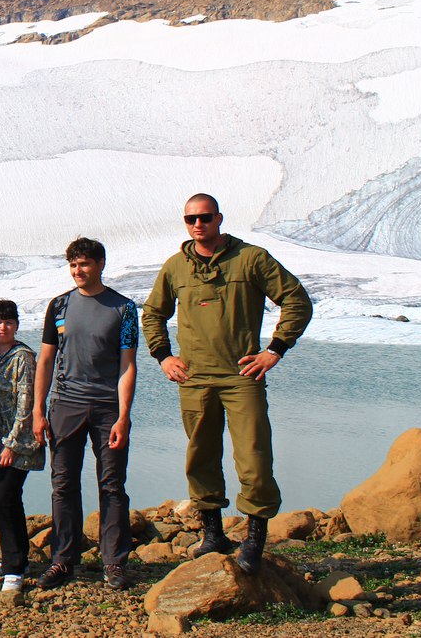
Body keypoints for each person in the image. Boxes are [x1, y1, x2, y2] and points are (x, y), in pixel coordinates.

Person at [142, 194, 312, 574]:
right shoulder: (175, 267)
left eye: (204, 217)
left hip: (241, 377)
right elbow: (153, 313)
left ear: (219, 218)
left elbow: (296, 299)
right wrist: (163, 356)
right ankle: (213, 535)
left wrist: (275, 350)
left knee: (253, 457)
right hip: (195, 378)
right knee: (200, 455)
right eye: (190, 219)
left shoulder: (251, 259)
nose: (197, 224)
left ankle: (253, 540)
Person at [31, 239, 138, 591]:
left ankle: (114, 563)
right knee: (63, 484)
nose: (79, 271)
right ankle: (63, 560)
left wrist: (124, 415)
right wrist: (38, 410)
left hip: (108, 408)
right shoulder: (59, 306)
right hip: (65, 405)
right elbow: (45, 359)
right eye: (74, 265)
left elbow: (127, 363)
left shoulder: (124, 309)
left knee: (111, 485)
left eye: (85, 264)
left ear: (101, 264)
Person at [0, 299, 44, 594]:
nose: (2, 326)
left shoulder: (23, 357)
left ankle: (15, 569)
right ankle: (13, 559)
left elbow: (26, 404)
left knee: (7, 499)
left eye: (8, 321)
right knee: (6, 500)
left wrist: (12, 445)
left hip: (17, 445)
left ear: (16, 325)